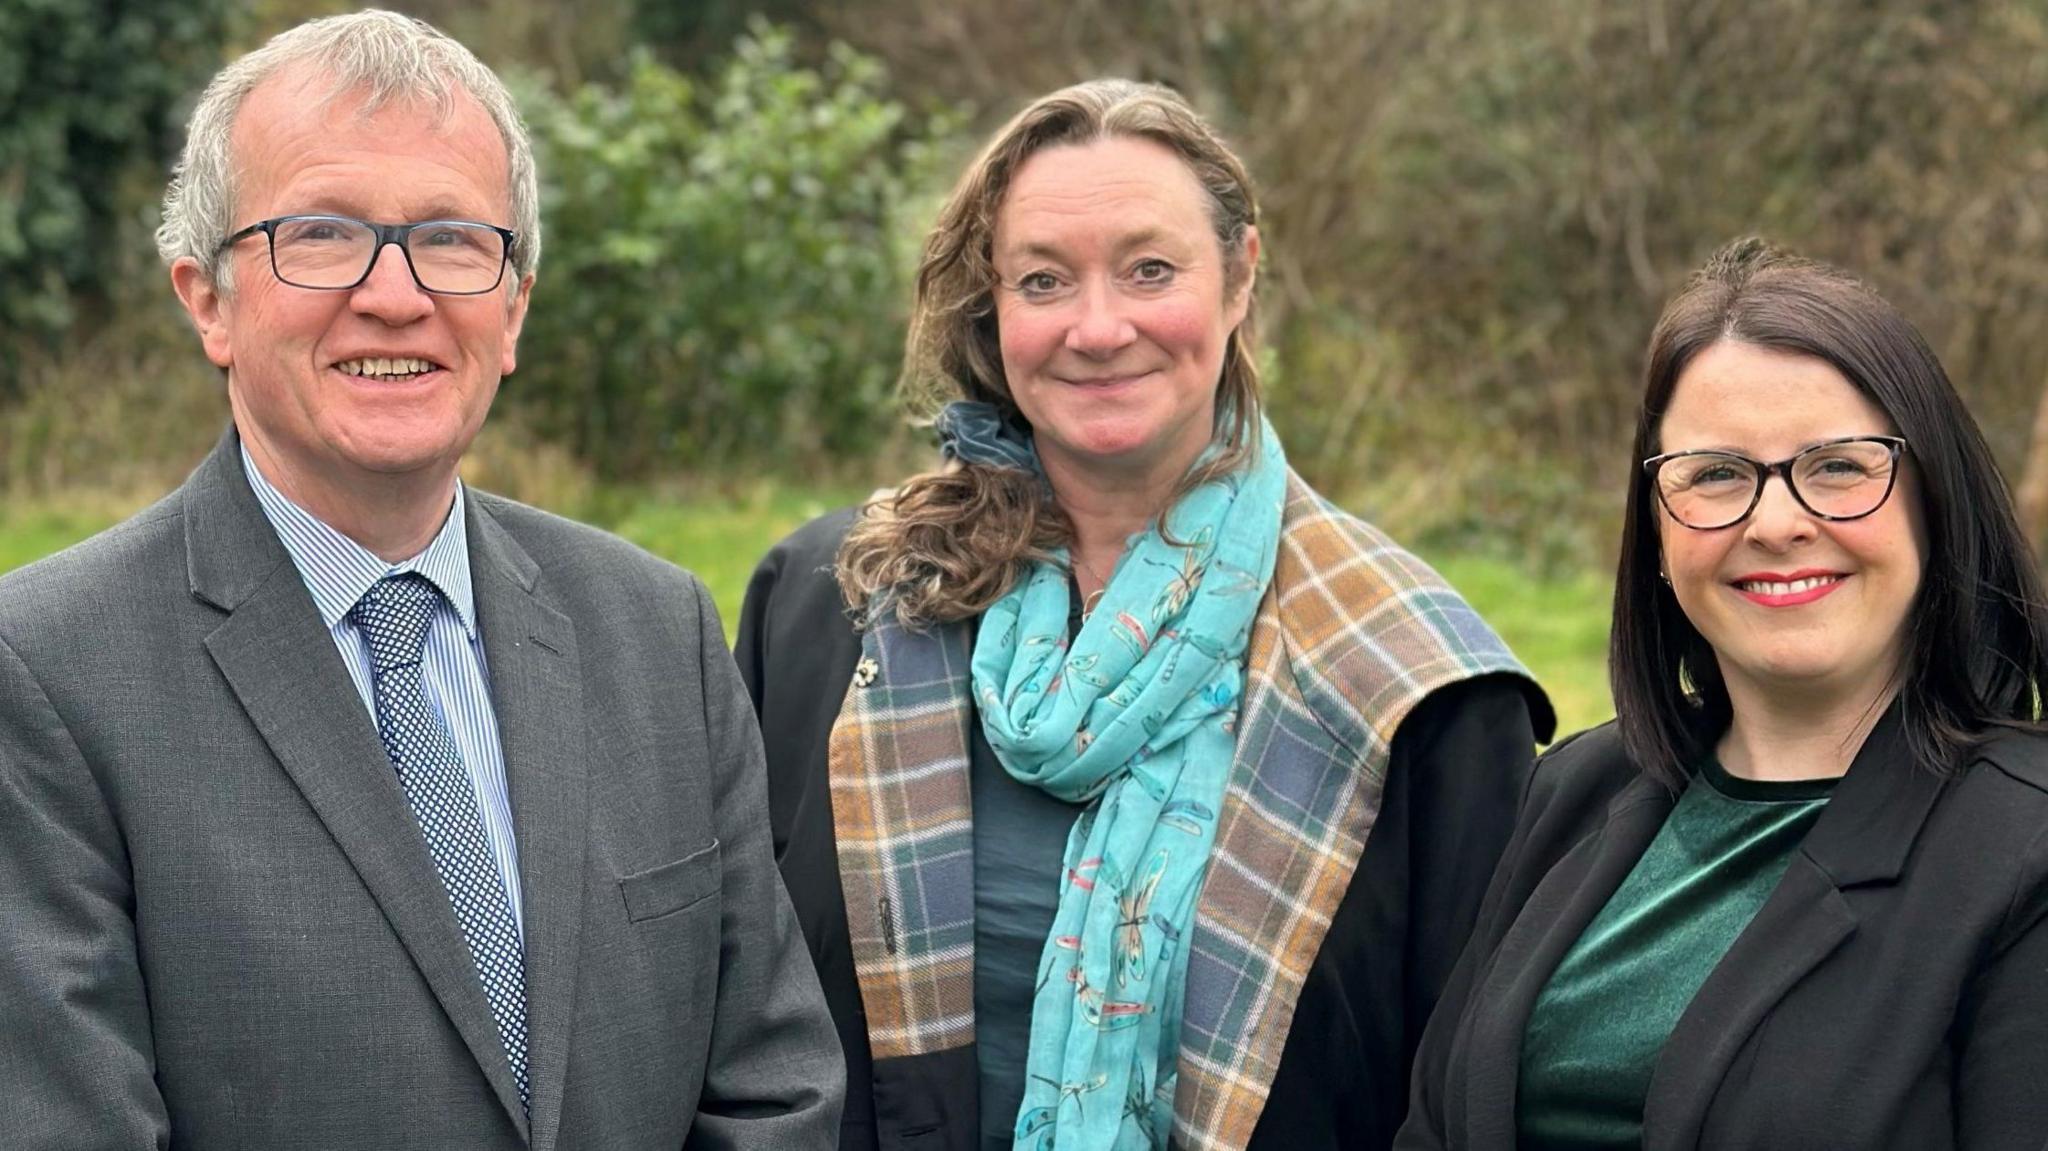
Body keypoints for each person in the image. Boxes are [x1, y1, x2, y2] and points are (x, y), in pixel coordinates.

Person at [0, 12, 842, 1149]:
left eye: (450, 238)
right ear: (207, 297)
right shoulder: (47, 672)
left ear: (514, 306)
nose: (394, 295)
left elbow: (773, 1091)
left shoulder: (658, 629)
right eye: (322, 234)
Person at [736, 79, 1554, 1151]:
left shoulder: (1411, 687)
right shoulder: (834, 608)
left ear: (1239, 278)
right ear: (992, 309)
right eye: (1042, 279)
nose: (1096, 325)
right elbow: (731, 1014)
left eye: (1149, 269)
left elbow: (1457, 1104)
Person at [1396, 239, 2048, 1151]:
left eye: (1839, 465)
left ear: (1933, 500)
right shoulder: (1575, 790)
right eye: (1715, 475)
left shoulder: (2023, 850)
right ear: (1657, 532)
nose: (1777, 522)